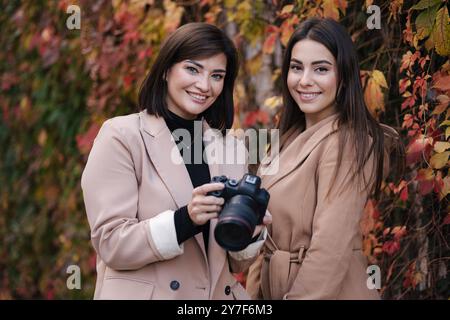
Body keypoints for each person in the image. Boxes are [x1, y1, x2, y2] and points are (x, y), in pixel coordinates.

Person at [81, 22, 270, 300]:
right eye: (192, 69)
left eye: (217, 75)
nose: (204, 85)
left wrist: (250, 233)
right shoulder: (122, 136)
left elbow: (233, 263)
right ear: (167, 69)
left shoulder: (231, 149)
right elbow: (111, 243)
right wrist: (186, 219)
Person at [246, 18, 404, 300]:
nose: (304, 80)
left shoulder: (346, 143)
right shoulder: (288, 138)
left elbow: (330, 248)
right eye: (296, 67)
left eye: (321, 69)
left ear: (342, 77)